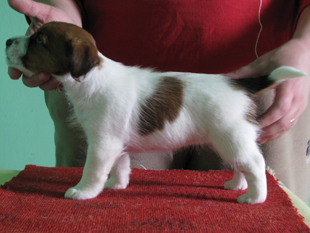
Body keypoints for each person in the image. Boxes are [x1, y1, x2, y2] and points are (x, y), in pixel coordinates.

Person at [7, 0, 310, 204]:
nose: (24, 44)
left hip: (247, 70)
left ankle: (256, 184)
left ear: (75, 60)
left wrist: (305, 45)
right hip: (199, 87)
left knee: (237, 147)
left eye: (38, 41)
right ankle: (121, 178)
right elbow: (117, 142)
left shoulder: (103, 90)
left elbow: (106, 145)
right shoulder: (100, 89)